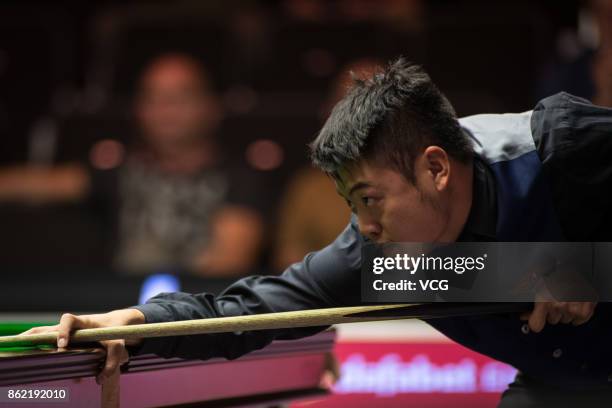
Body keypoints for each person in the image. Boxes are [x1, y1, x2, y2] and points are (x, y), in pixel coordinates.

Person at [23, 59, 612, 407]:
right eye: (351, 204)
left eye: (371, 199)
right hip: (566, 388)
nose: (365, 226)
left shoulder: (563, 148)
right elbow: (253, 308)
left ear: (435, 169)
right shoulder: (379, 256)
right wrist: (140, 323)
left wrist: (586, 266)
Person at [0, 53, 264, 276]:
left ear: (211, 106)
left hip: (199, 316)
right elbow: (38, 183)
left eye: (180, 96)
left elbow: (230, 261)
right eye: (153, 97)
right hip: (117, 311)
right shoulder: (118, 171)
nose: (166, 109)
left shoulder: (239, 179)